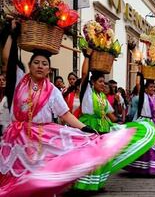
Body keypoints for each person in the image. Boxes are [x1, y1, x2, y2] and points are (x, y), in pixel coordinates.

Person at [0, 23, 136, 196]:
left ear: (49, 69)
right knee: (14, 176)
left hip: (41, 139)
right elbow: (6, 59)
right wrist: (12, 34)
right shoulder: (20, 80)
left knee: (40, 178)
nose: (40, 66)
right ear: (30, 65)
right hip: (17, 139)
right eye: (36, 63)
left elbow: (65, 114)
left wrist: (84, 128)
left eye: (44, 64)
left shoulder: (52, 91)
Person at [73, 53, 155, 191]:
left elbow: (110, 115)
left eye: (104, 82)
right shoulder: (87, 92)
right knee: (88, 157)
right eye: (100, 81)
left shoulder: (102, 96)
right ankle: (81, 186)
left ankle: (97, 184)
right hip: (89, 126)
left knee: (103, 157)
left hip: (104, 127)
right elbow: (84, 73)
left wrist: (122, 125)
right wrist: (87, 56)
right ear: (92, 83)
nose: (103, 84)